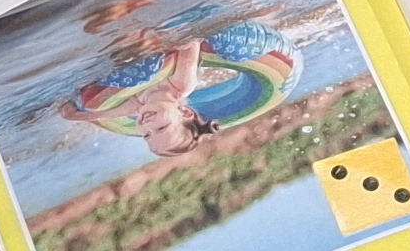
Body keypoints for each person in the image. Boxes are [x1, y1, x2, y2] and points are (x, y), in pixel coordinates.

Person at [62, 17, 301, 161]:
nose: (147, 125)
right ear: (184, 112)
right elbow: (191, 40)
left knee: (96, 26)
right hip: (159, 33)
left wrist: (74, 114)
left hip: (130, 47)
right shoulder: (182, 85)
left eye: (147, 135)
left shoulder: (135, 108)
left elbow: (97, 114)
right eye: (161, 127)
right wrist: (160, 49)